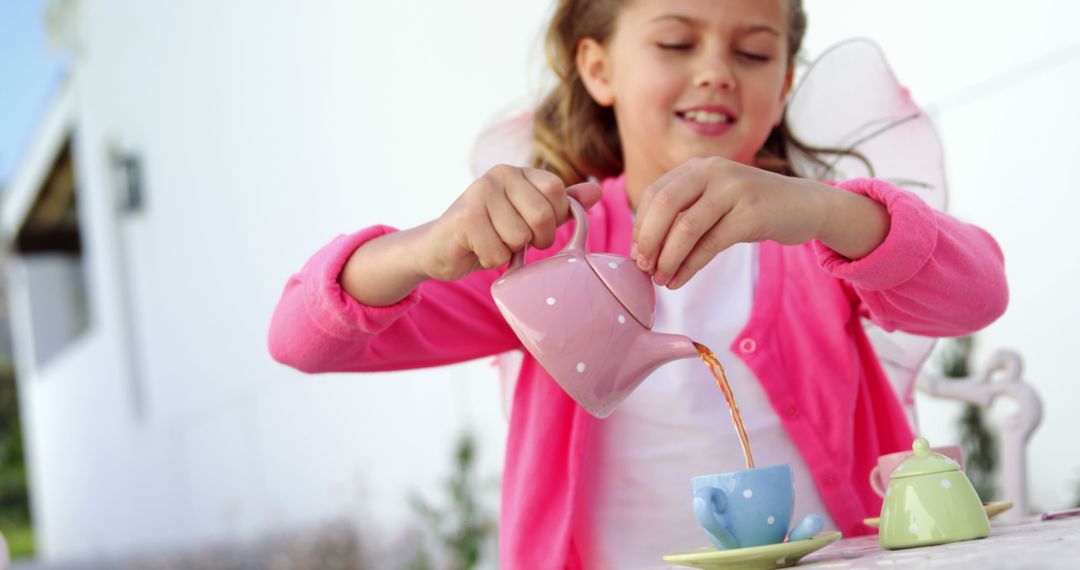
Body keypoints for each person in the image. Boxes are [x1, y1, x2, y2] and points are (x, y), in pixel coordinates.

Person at [268, 0, 1008, 567]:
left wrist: (821, 207)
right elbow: (300, 339)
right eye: (676, 42)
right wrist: (422, 250)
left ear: (784, 82)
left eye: (753, 50)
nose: (717, 69)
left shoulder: (815, 239)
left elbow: (978, 295)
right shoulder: (543, 255)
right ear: (598, 69)